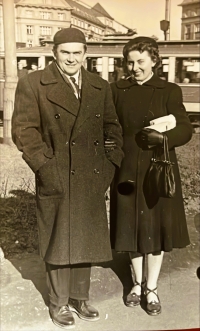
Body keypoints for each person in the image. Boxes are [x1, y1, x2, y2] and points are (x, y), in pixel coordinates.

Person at [12, 28, 123, 329]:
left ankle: (80, 296)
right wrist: (45, 167)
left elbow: (112, 129)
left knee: (86, 235)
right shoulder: (33, 83)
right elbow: (24, 131)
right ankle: (59, 302)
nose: (72, 58)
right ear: (54, 53)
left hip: (93, 174)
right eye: (65, 52)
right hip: (56, 173)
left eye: (77, 52)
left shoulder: (100, 86)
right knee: (59, 238)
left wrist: (110, 163)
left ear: (85, 53)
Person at [110, 36, 193, 316]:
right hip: (127, 169)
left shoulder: (169, 90)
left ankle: (152, 287)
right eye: (130, 62)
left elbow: (185, 128)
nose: (135, 68)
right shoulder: (117, 90)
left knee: (155, 229)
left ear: (154, 61)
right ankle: (136, 283)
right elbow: (110, 129)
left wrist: (164, 137)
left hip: (159, 168)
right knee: (132, 227)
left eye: (140, 61)